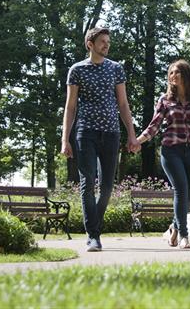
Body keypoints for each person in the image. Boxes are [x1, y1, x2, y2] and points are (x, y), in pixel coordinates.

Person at [61, 27, 138, 252]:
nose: (106, 45)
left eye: (108, 42)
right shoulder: (77, 70)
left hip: (111, 133)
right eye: (102, 41)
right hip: (86, 133)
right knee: (87, 185)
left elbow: (123, 104)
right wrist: (65, 139)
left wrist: (131, 134)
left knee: (106, 187)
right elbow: (70, 106)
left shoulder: (116, 69)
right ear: (90, 44)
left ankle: (95, 227)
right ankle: (93, 235)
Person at [130, 59, 190, 249]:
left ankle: (174, 227)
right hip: (171, 151)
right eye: (170, 73)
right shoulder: (165, 100)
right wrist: (137, 141)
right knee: (181, 189)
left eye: (177, 72)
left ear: (186, 75)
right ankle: (184, 235)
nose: (173, 75)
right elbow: (154, 126)